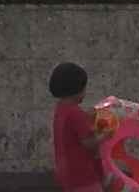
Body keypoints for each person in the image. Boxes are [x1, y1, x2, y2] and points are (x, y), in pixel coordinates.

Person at [50, 62, 102, 192]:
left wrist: (87, 117)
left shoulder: (61, 109)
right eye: (84, 88)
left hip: (66, 174)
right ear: (76, 89)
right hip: (82, 175)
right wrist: (106, 135)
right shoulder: (75, 113)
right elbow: (89, 143)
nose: (85, 92)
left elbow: (72, 132)